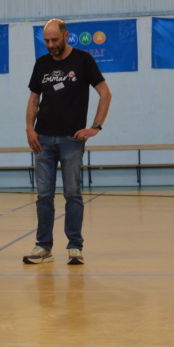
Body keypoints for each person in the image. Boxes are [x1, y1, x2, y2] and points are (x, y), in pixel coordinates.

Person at [24, 19, 112, 265]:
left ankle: (75, 246)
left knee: (72, 194)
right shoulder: (41, 64)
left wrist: (95, 127)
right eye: (47, 41)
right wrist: (29, 128)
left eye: (55, 40)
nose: (51, 45)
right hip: (42, 138)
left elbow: (105, 94)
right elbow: (34, 100)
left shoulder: (83, 60)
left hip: (71, 139)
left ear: (65, 35)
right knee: (44, 195)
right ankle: (43, 247)